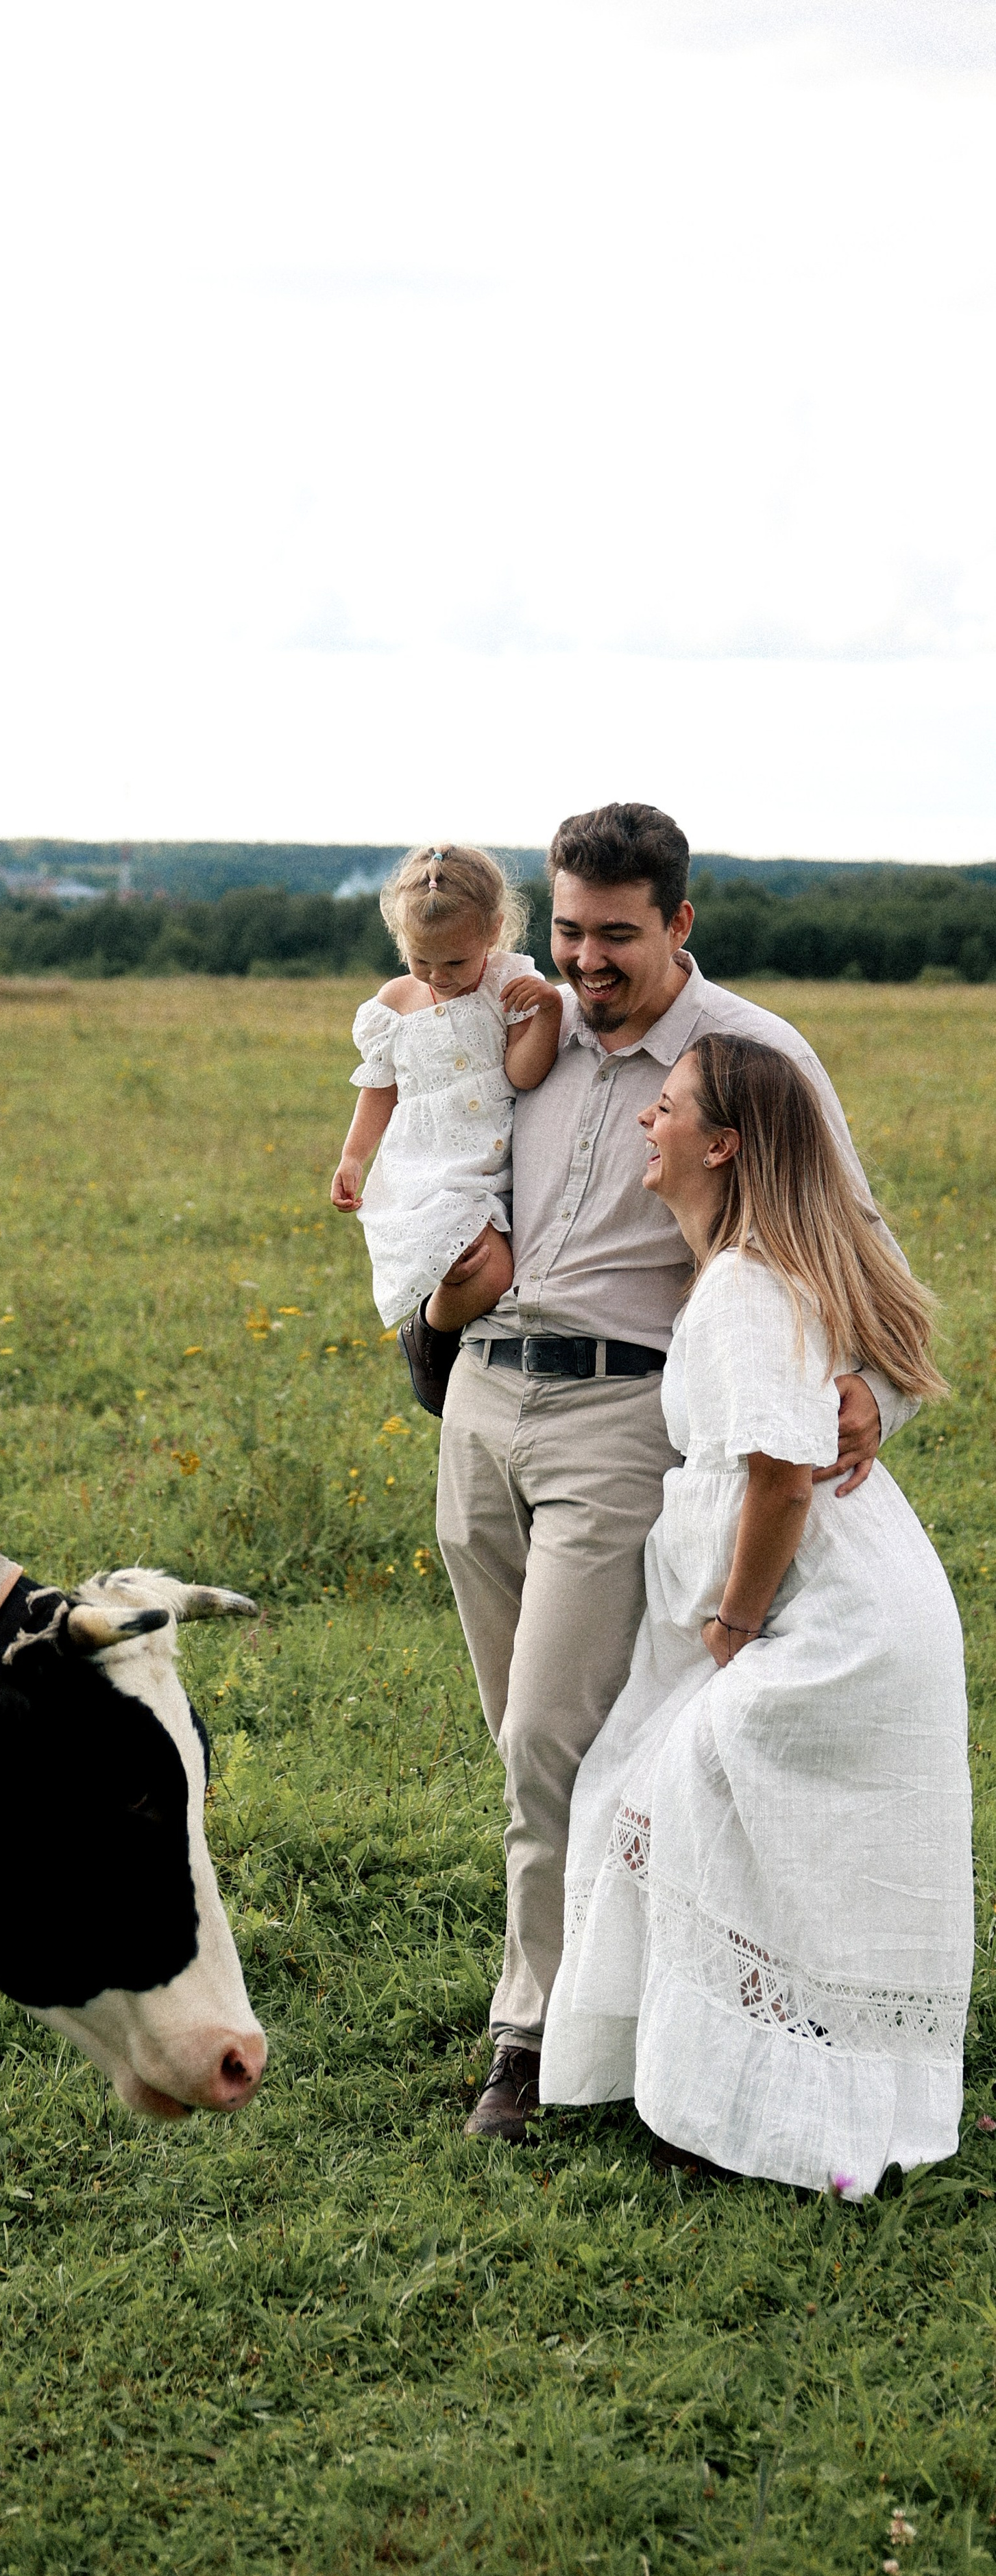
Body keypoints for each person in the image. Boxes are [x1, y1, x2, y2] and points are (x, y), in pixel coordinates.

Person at [413, 802, 916, 2143]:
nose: (584, 962)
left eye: (615, 936)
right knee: (535, 1747)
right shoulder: (523, 1036)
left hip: (617, 1424)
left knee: (546, 1738)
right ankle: (619, 1988)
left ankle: (525, 2039)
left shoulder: (746, 1061)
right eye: (566, 928)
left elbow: (845, 1239)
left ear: (679, 924)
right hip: (478, 1404)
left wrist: (864, 1391)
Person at [540, 1035, 969, 2192]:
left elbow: (780, 1475)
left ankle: (735, 2109)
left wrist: (731, 1628)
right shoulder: (760, 1265)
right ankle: (721, 2088)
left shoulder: (740, 1283)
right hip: (867, 1599)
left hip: (836, 1627)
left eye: (667, 1108)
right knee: (656, 1797)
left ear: (720, 1145)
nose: (647, 1121)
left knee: (675, 1796)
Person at [331, 844, 563, 1332]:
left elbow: (523, 1074)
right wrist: (353, 1156)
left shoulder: (509, 982)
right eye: (421, 960)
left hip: (494, 1161)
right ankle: (431, 1339)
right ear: (401, 941)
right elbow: (380, 1088)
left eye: (456, 963)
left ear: (493, 931)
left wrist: (547, 1013)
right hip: (424, 1165)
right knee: (475, 1269)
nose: (439, 977)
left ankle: (436, 1336)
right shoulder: (394, 1002)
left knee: (498, 1269)